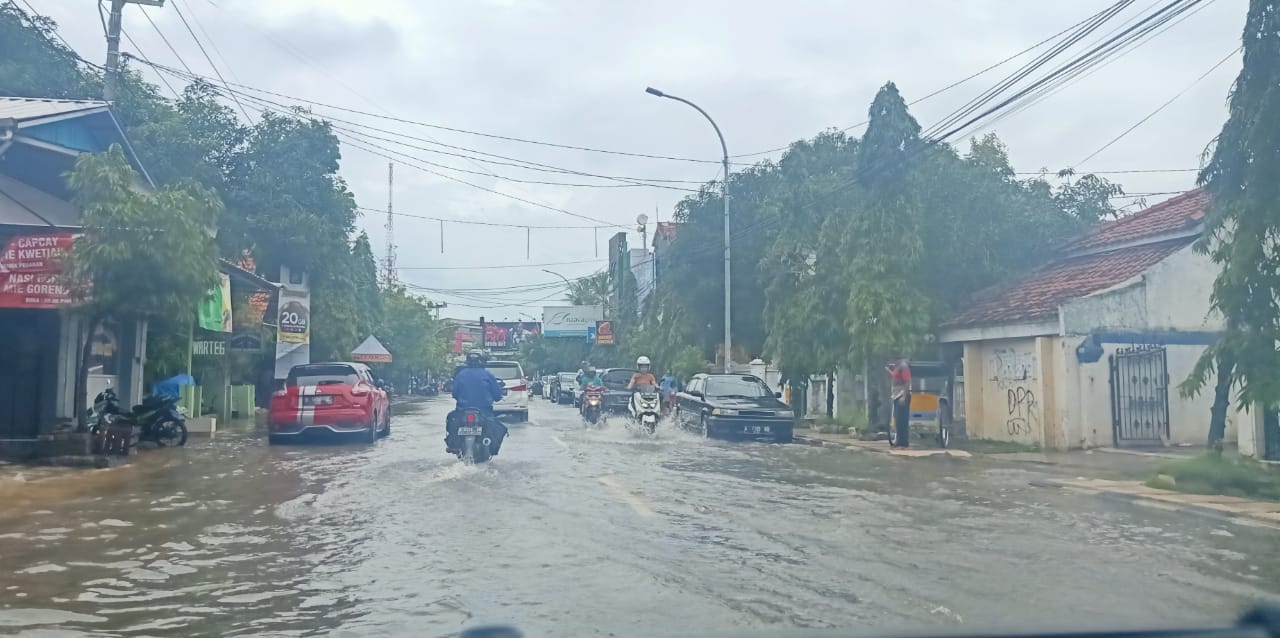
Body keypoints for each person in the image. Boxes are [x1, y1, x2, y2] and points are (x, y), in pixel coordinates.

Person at [446, 351, 507, 455]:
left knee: (450, 421)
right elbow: (497, 395)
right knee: (498, 428)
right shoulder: (488, 375)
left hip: (462, 411)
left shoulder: (460, 374)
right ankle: (491, 448)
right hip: (484, 412)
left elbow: (455, 393)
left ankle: (453, 446)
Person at [887, 357, 912, 448]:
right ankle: (900, 440)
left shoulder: (903, 366)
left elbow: (907, 381)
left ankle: (904, 441)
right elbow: (896, 377)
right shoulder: (897, 367)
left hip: (902, 394)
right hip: (896, 394)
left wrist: (904, 397)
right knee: (898, 419)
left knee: (903, 420)